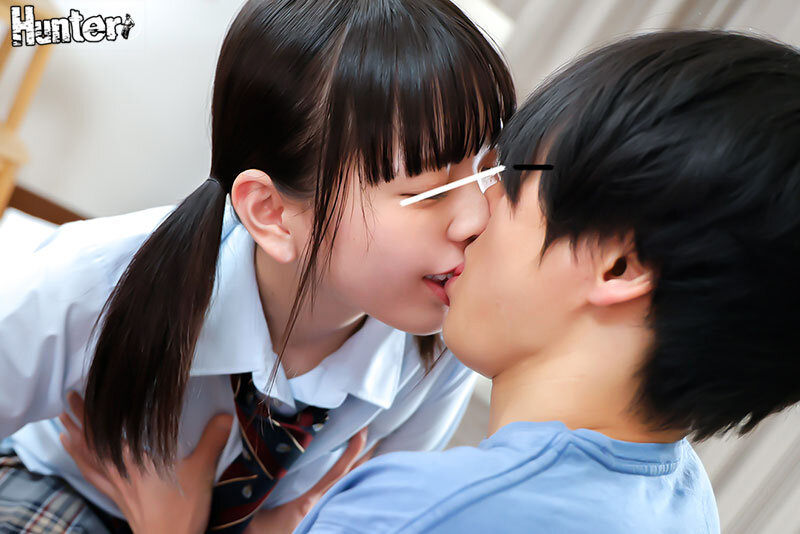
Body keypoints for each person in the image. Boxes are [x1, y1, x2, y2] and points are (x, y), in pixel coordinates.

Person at [61, 29, 800, 533]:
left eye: (509, 181)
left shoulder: (413, 512)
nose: (473, 215)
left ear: (616, 266)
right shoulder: (683, 502)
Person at [0, 0, 516, 532]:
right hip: (64, 489)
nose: (477, 216)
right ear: (272, 213)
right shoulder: (102, 279)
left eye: (488, 169)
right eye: (430, 192)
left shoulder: (446, 344)